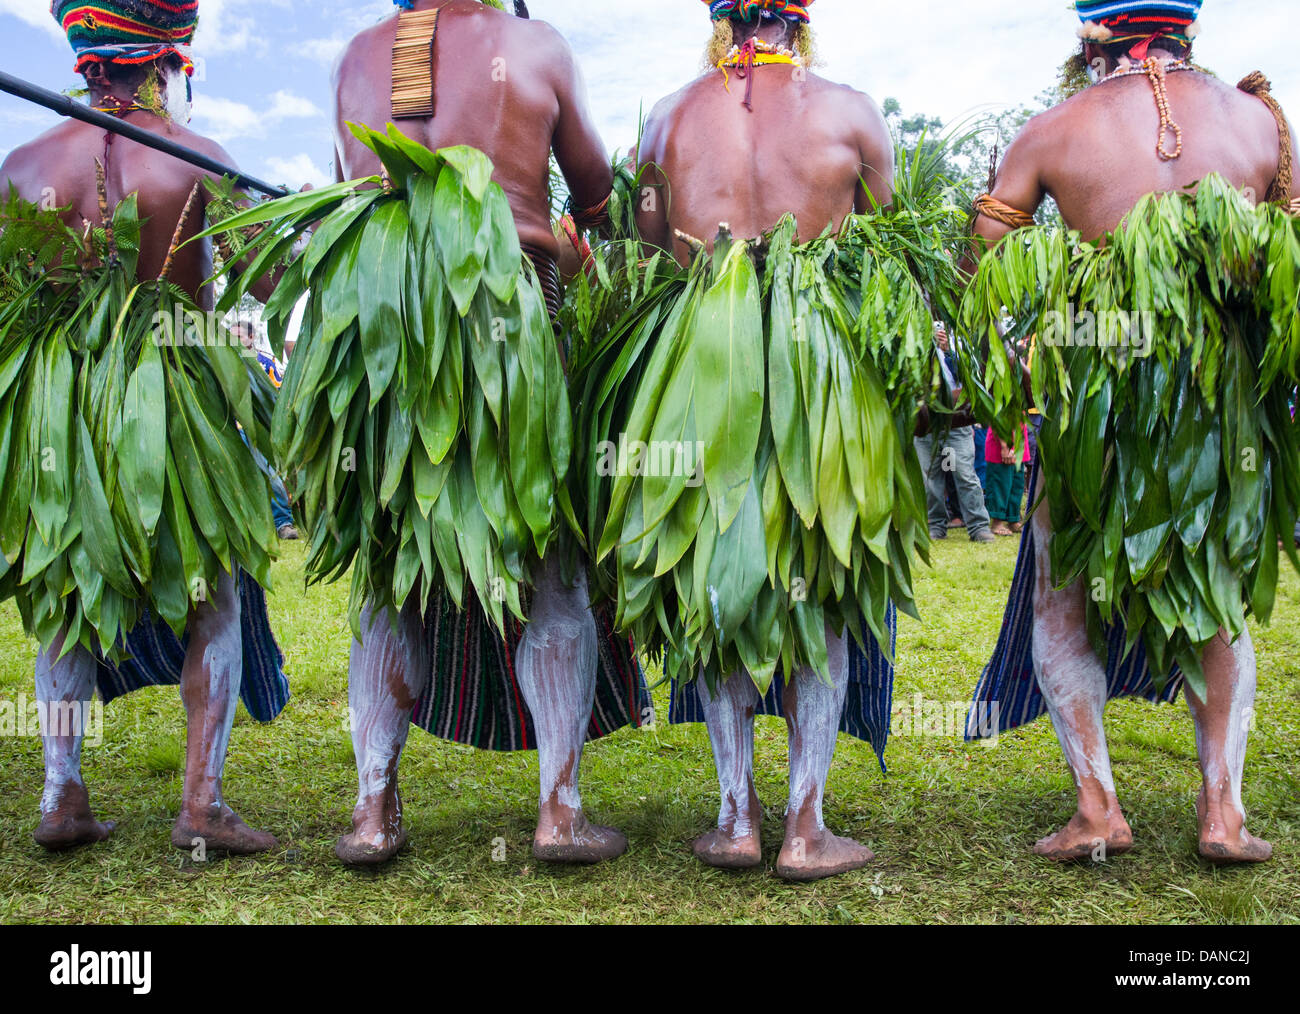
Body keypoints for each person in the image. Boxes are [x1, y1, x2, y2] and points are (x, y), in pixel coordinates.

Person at [963, 0, 1298, 863]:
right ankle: (1221, 813)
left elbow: (982, 274)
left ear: (1092, 37)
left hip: (1093, 400)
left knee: (1061, 590)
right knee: (1219, 600)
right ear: (1186, 28)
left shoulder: (1050, 129)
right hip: (1220, 405)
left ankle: (1097, 808)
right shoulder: (1261, 121)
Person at [324, 0, 643, 866]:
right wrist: (587, 248)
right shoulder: (536, 44)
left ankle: (371, 811)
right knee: (552, 563)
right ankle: (559, 811)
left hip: (382, 330)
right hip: (513, 318)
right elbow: (602, 198)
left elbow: (352, 188)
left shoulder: (356, 54)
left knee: (392, 574)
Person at [631, 0, 913, 881]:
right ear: (799, 21)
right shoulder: (851, 109)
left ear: (721, 22)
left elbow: (648, 242)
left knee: (718, 579)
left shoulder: (668, 116)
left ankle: (735, 818)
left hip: (696, 356)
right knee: (819, 583)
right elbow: (878, 235)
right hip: (816, 363)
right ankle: (806, 823)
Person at [0, 0, 289, 854]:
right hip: (176, 398)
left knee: (66, 595)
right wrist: (291, 224)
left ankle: (62, 794)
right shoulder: (196, 157)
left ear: (89, 61)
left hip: (61, 410)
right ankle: (201, 802)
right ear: (166, 63)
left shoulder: (21, 166)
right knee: (215, 597)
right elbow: (270, 284)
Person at [915, 322, 995, 543]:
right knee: (930, 478)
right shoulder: (912, 339)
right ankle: (936, 525)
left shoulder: (959, 343)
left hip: (955, 420)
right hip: (925, 422)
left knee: (964, 474)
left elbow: (971, 377)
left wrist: (948, 351)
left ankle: (978, 526)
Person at [984, 421, 1030, 536]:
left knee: (1016, 485)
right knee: (1000, 485)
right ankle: (997, 522)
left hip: (1018, 443)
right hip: (1001, 444)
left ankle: (1013, 519)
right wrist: (1005, 445)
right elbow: (997, 418)